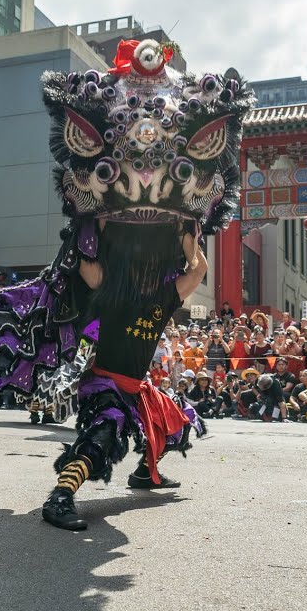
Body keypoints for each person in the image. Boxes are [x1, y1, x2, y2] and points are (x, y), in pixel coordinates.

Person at [41, 225, 209, 530]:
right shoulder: (109, 284)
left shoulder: (165, 294)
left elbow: (199, 271)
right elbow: (85, 260)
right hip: (102, 384)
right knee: (103, 434)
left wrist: (189, 240)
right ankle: (60, 497)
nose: (147, 267)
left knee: (178, 423)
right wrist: (90, 222)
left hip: (135, 387)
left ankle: (145, 472)